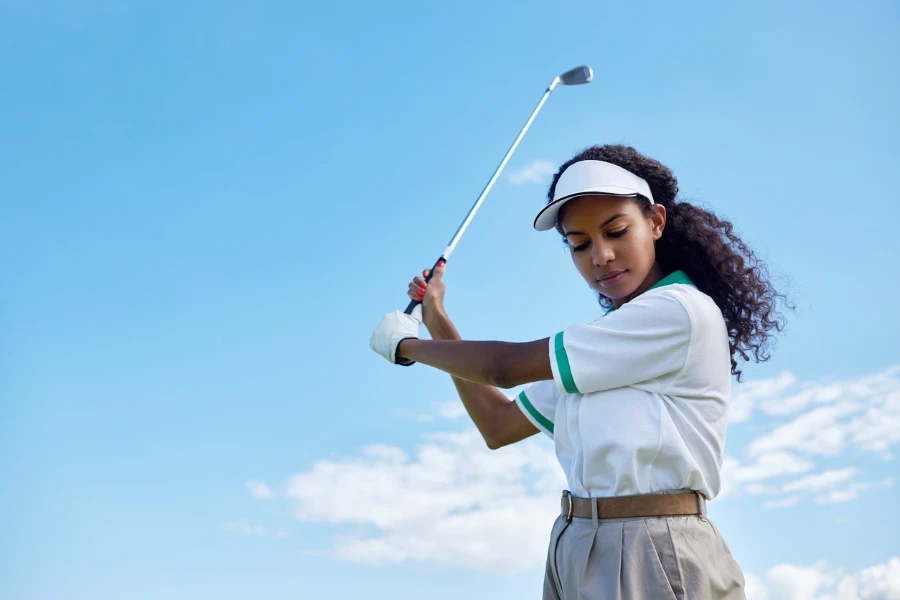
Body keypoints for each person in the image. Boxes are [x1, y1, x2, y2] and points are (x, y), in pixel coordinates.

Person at [369, 144, 788, 599]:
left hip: (654, 545)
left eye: (616, 231)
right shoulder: (602, 346)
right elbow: (498, 424)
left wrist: (407, 346)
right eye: (580, 244)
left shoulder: (678, 312)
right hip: (575, 544)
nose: (601, 256)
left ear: (656, 222)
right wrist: (436, 318)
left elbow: (503, 368)